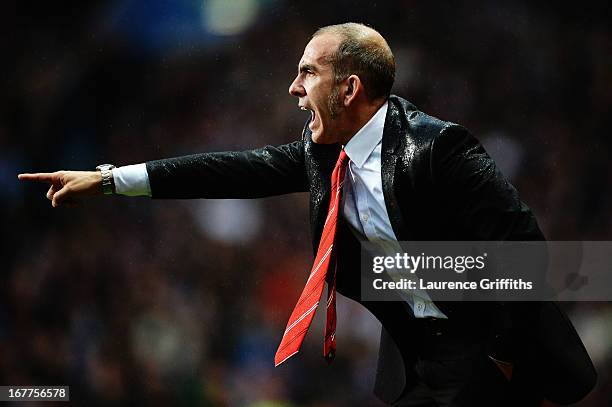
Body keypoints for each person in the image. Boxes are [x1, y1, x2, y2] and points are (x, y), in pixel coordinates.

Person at [19, 23, 595, 406]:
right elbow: (230, 170)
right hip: (418, 369)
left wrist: (500, 353)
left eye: (307, 73)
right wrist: (111, 180)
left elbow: (526, 253)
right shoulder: (322, 154)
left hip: (489, 360)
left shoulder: (440, 149)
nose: (294, 89)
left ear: (348, 89)